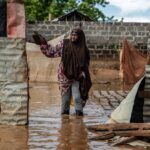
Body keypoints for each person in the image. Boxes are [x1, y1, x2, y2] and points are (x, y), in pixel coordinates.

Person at [33, 28, 92, 116]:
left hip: (78, 76)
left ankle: (79, 117)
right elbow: (51, 51)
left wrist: (83, 75)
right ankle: (65, 118)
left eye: (75, 35)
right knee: (65, 99)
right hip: (64, 76)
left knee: (77, 98)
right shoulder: (64, 44)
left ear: (80, 37)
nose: (73, 37)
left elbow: (86, 64)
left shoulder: (84, 49)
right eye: (72, 35)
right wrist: (43, 43)